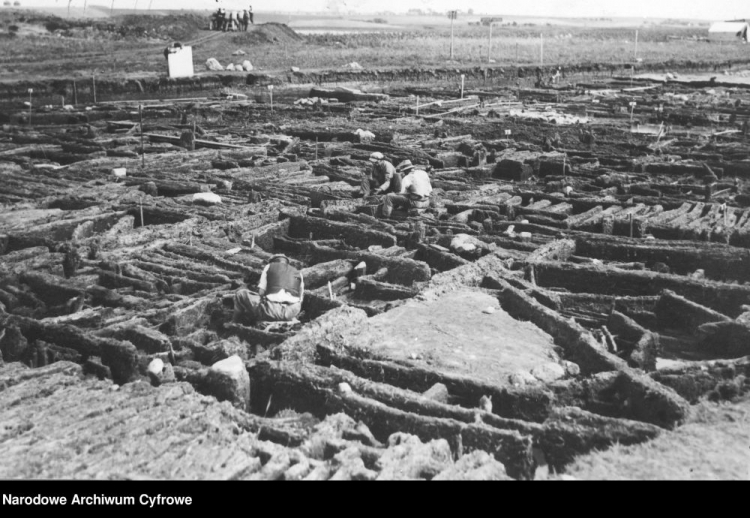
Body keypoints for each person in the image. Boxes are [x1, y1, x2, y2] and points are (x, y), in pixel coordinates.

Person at [234, 254, 304, 324]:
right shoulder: (298, 273)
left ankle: (235, 321)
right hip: (291, 311)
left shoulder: (269, 267)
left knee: (240, 294)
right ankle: (287, 318)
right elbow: (300, 299)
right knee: (296, 303)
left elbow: (261, 292)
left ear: (272, 262)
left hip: (270, 310)